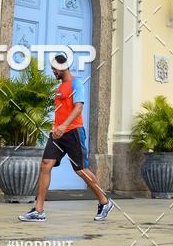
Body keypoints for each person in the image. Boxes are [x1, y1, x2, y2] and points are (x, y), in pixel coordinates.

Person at [19, 53, 114, 222]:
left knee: (80, 170)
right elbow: (61, 111)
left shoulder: (77, 83)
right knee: (45, 165)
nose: (53, 71)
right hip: (58, 134)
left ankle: (104, 201)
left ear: (63, 67)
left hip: (73, 132)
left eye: (55, 69)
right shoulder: (60, 87)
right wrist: (57, 127)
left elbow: (78, 108)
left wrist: (64, 126)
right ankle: (38, 210)